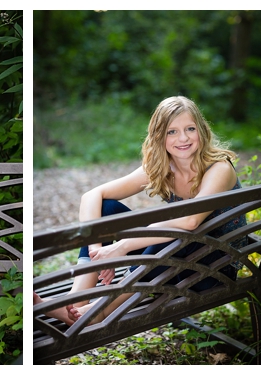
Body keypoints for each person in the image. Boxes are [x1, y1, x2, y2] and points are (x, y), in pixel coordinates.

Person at [34, 96, 247, 326]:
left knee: (172, 231)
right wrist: (98, 253)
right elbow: (92, 196)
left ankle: (99, 310)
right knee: (107, 209)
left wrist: (121, 246)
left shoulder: (219, 168)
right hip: (174, 259)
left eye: (190, 129)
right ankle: (76, 303)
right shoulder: (162, 166)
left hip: (212, 269)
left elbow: (190, 221)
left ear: (202, 131)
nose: (183, 138)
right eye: (172, 132)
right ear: (159, 136)